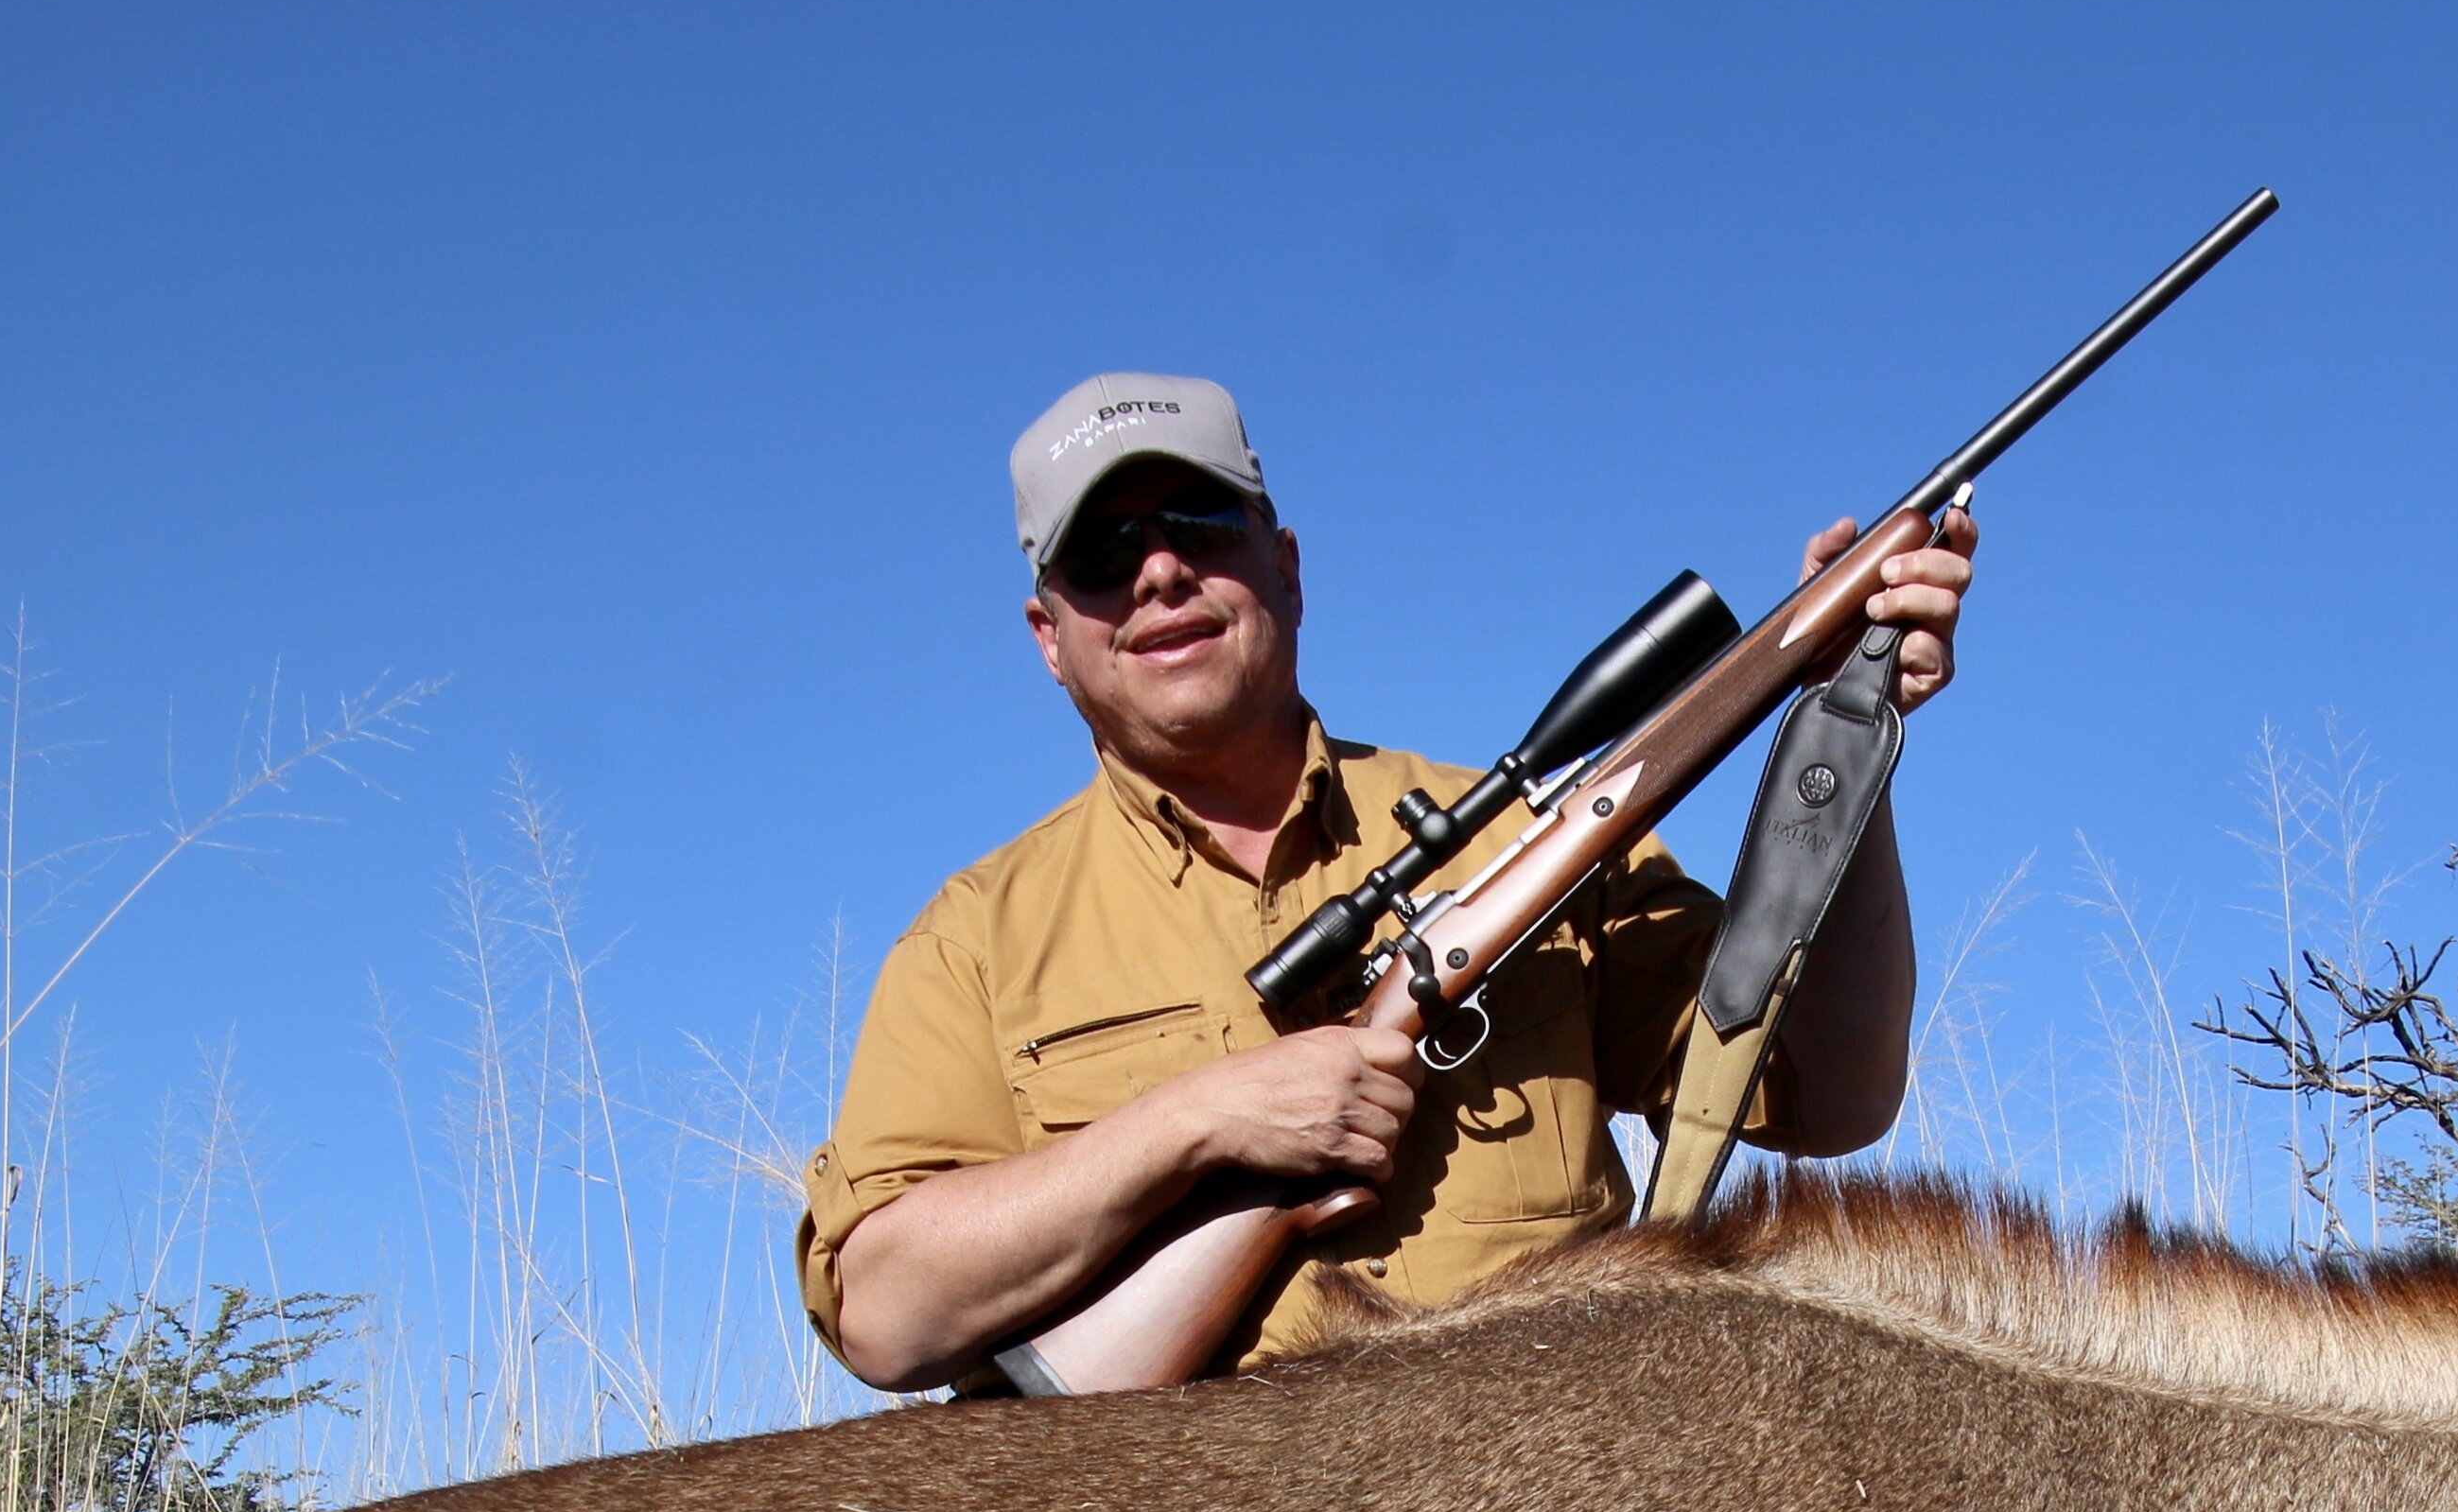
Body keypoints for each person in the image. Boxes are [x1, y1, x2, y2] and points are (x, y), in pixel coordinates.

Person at [801, 373, 1972, 1390]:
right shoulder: (976, 939)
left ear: (1287, 567)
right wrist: (1202, 1124)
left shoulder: (1524, 833)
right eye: (1102, 554)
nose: (1160, 570)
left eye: (1203, 522)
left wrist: (1847, 721)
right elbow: (890, 1318)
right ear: (1048, 636)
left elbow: (1834, 1093)